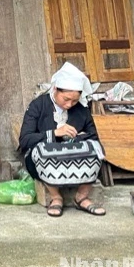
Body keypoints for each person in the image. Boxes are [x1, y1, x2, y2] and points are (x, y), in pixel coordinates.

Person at [19, 62, 106, 218]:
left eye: (74, 101)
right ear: (55, 89)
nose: (69, 104)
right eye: (66, 99)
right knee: (42, 152)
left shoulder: (81, 109)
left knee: (97, 150)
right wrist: (54, 134)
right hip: (45, 158)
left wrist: (75, 137)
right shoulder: (38, 106)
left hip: (74, 157)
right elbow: (25, 140)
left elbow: (93, 137)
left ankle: (81, 196)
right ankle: (55, 197)